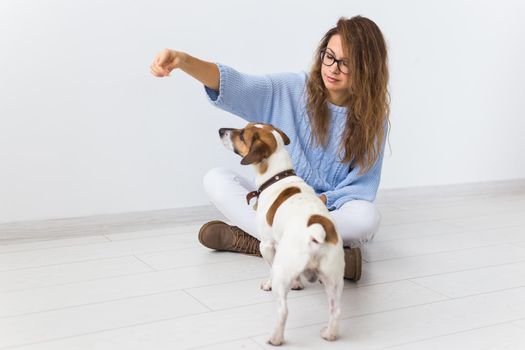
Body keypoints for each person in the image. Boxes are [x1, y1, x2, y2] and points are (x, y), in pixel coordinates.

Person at [150, 16, 390, 282]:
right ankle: (318, 253)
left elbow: (360, 187)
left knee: (368, 217)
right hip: (279, 207)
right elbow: (235, 86)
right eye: (329, 56)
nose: (332, 68)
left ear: (367, 68)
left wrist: (322, 201)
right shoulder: (290, 88)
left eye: (345, 63)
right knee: (216, 180)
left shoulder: (373, 120)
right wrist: (183, 61)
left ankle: (260, 244)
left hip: (324, 212)